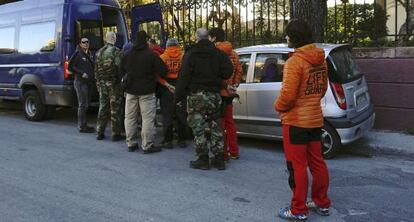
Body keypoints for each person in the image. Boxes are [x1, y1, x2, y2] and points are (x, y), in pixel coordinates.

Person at [275, 19, 331, 221]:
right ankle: (321, 202)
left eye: (288, 35)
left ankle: (298, 209)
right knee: (317, 162)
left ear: (294, 37)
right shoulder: (321, 60)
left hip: (296, 122)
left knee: (297, 165)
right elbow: (322, 89)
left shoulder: (294, 62)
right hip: (315, 120)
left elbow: (287, 97)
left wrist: (278, 107)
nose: (286, 38)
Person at [175, 28, 233, 170]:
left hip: (196, 96)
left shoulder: (190, 54)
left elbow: (183, 77)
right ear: (208, 38)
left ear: (197, 37)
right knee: (216, 126)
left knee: (198, 128)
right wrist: (217, 78)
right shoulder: (218, 53)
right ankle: (219, 158)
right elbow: (228, 71)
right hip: (214, 95)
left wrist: (178, 96)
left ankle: (203, 159)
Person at [120, 31, 167, 154]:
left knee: (129, 117)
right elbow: (163, 71)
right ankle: (147, 145)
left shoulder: (127, 55)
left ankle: (131, 143)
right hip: (147, 91)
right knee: (147, 119)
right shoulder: (151, 55)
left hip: (130, 91)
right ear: (146, 41)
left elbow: (120, 71)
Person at [208, 28, 242, 161]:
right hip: (229, 93)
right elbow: (239, 70)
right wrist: (234, 85)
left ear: (214, 38)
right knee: (230, 122)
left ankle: (223, 151)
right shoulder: (233, 53)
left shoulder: (213, 54)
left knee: (219, 124)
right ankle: (234, 151)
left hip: (218, 92)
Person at [94, 32, 124, 141]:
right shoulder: (116, 51)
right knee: (115, 109)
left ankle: (99, 132)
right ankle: (116, 134)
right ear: (114, 38)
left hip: (102, 84)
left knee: (103, 107)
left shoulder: (98, 52)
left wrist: (98, 82)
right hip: (114, 84)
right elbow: (119, 68)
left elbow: (96, 71)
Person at [158, 38, 187, 148]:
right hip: (180, 86)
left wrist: (166, 84)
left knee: (167, 114)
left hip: (167, 88)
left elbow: (158, 75)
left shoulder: (162, 57)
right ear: (177, 45)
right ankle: (182, 140)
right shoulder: (183, 57)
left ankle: (168, 140)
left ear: (167, 46)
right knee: (181, 113)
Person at [68, 37, 95, 133]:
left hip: (88, 83)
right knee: (82, 104)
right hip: (80, 83)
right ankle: (81, 126)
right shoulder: (77, 54)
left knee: (86, 104)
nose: (86, 43)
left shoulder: (89, 54)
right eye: (84, 42)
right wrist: (81, 73)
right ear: (80, 44)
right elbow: (70, 66)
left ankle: (84, 124)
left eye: (87, 42)